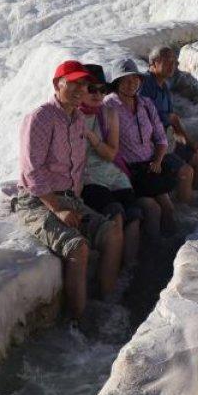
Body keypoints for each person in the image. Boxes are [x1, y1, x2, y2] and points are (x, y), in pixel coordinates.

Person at [17, 61, 125, 322]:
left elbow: (77, 167)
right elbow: (33, 171)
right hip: (37, 200)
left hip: (68, 196)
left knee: (111, 233)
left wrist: (73, 203)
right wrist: (59, 208)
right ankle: (79, 323)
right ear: (57, 84)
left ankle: (107, 303)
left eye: (83, 84)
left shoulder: (77, 118)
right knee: (77, 248)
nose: (80, 89)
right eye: (73, 83)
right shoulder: (41, 117)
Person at [78, 64, 143, 272]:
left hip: (111, 172)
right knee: (116, 215)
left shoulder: (108, 114)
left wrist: (94, 139)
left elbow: (111, 153)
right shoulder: (72, 116)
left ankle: (128, 272)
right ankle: (110, 284)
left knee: (133, 214)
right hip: (88, 177)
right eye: (92, 89)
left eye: (102, 90)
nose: (98, 95)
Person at [104, 58, 178, 237]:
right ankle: (152, 251)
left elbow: (161, 138)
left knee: (168, 207)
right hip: (127, 172)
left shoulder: (145, 103)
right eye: (126, 79)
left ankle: (173, 250)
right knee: (153, 209)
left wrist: (158, 160)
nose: (131, 83)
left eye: (135, 79)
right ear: (116, 82)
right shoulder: (108, 105)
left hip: (150, 168)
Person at [139, 46, 198, 204]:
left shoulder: (164, 86)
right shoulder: (145, 84)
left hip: (165, 140)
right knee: (186, 172)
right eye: (168, 61)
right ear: (154, 63)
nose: (172, 66)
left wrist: (189, 142)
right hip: (151, 146)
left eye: (174, 62)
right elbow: (144, 117)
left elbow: (173, 119)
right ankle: (185, 209)